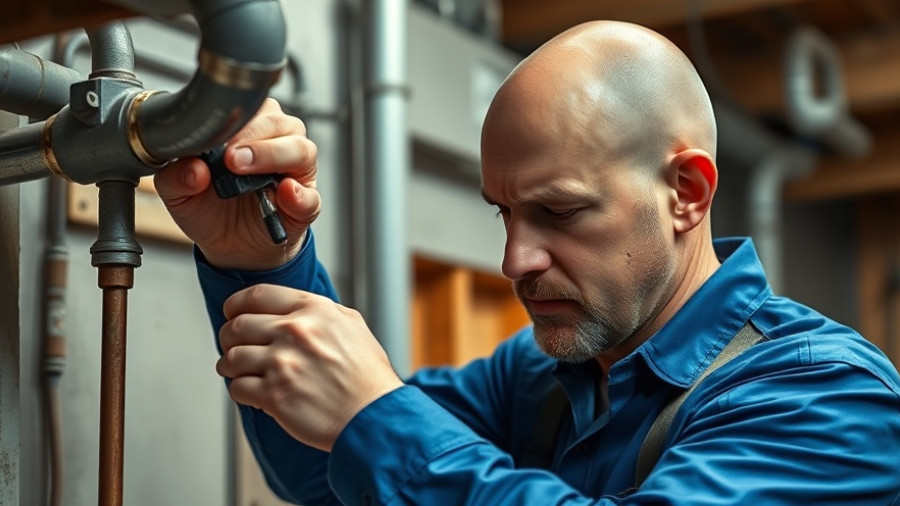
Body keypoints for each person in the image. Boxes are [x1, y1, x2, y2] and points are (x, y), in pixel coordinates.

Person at [154, 20, 900, 505]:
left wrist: (378, 415)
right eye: (504, 213)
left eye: (561, 211)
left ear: (686, 193)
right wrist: (259, 256)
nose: (515, 258)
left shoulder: (826, 397)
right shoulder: (542, 377)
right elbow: (326, 473)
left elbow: (379, 437)